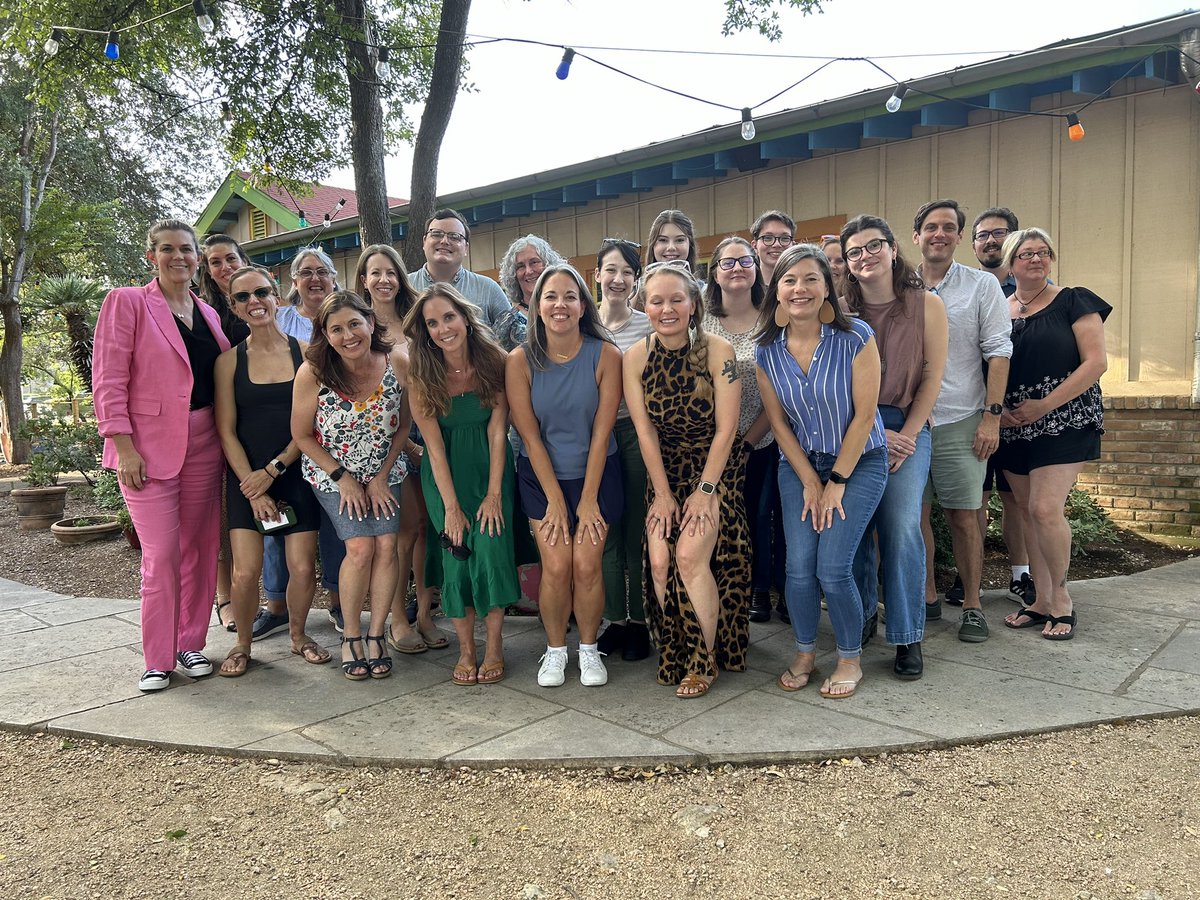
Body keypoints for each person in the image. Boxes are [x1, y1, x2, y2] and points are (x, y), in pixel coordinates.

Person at [93, 219, 232, 691]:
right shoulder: (127, 302)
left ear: (198, 257)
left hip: (204, 442)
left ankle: (190, 642)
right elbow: (108, 380)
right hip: (146, 450)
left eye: (187, 249)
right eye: (168, 249)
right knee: (162, 553)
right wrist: (122, 445)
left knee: (200, 549)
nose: (179, 257)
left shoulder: (209, 314)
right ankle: (157, 657)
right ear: (151, 256)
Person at [755, 244, 888, 698]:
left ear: (827, 287)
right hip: (799, 465)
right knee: (797, 568)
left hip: (859, 463)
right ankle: (806, 651)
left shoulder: (857, 337)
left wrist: (836, 482)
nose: (800, 289)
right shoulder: (767, 351)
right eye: (789, 281)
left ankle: (850, 658)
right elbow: (777, 423)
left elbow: (865, 416)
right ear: (776, 292)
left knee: (833, 569)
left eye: (811, 279)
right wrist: (811, 480)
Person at [623, 260, 750, 698]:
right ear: (645, 306)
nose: (667, 308)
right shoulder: (635, 357)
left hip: (717, 470)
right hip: (665, 472)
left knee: (689, 556)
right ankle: (674, 648)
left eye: (677, 299)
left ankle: (704, 658)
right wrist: (661, 494)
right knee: (660, 560)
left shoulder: (719, 352)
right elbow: (644, 431)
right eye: (657, 301)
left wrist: (706, 492)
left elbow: (727, 429)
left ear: (693, 304)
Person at [506, 264, 623, 688]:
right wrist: (555, 499)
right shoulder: (520, 360)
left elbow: (601, 432)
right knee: (555, 567)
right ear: (537, 306)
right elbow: (530, 437)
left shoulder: (606, 354)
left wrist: (588, 498)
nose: (561, 304)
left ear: (582, 305)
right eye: (551, 296)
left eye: (570, 296)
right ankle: (556, 650)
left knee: (587, 565)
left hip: (597, 472)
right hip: (541, 477)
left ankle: (589, 650)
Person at [842, 215, 947, 680]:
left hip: (908, 425)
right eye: (854, 251)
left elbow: (932, 376)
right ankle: (863, 616)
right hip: (851, 428)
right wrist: (873, 432)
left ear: (892, 248)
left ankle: (907, 635)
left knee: (902, 526)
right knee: (858, 528)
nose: (865, 256)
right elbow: (835, 383)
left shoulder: (927, 306)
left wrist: (907, 433)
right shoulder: (839, 311)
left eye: (873, 246)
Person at [291, 291, 411, 681]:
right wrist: (344, 479)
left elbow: (404, 426)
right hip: (333, 473)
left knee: (388, 545)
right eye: (336, 329)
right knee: (360, 548)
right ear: (325, 334)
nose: (348, 335)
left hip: (384, 472)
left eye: (354, 324)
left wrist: (379, 477)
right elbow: (302, 434)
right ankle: (352, 636)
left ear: (371, 323)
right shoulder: (314, 371)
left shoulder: (397, 362)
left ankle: (378, 634)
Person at [404, 284, 520, 684]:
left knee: (489, 552)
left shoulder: (495, 362)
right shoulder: (422, 377)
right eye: (432, 323)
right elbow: (434, 451)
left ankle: (494, 647)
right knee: (458, 556)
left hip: (491, 473)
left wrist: (492, 494)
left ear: (466, 319)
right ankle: (466, 650)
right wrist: (451, 508)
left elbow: (497, 433)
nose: (442, 328)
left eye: (448, 317)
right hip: (444, 481)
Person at [213, 265, 326, 676]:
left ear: (277, 295)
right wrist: (254, 487)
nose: (253, 302)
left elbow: (313, 424)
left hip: (295, 473)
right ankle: (242, 645)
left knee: (300, 567)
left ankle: (298, 637)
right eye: (242, 297)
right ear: (234, 306)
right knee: (245, 572)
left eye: (260, 292)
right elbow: (225, 431)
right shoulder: (228, 362)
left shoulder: (306, 353)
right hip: (247, 481)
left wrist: (274, 470)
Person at [999, 229, 1110, 641]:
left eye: (1043, 253)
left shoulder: (1073, 300)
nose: (1036, 260)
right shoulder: (1000, 308)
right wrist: (998, 412)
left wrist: (1043, 405)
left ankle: (1061, 599)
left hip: (1064, 418)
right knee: (1026, 510)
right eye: (1026, 254)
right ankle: (1040, 599)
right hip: (1013, 425)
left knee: (1046, 509)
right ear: (1011, 264)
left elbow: (1095, 363)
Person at [912, 200, 1011, 644]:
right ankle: (928, 594)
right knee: (914, 516)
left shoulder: (981, 285)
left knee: (965, 517)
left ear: (958, 237)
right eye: (930, 227)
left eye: (948, 228)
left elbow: (999, 350)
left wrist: (991, 418)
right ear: (916, 236)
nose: (939, 234)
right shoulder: (900, 286)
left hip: (960, 418)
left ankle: (972, 604)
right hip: (909, 422)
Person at [354, 244, 444, 655]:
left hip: (433, 435)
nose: (384, 280)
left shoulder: (418, 320)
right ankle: (397, 618)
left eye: (391, 272)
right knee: (401, 533)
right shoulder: (362, 329)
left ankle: (425, 612)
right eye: (375, 273)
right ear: (363, 280)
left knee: (428, 528)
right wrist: (406, 445)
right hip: (392, 444)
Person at [259, 246, 348, 639]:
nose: (315, 279)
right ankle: (276, 603)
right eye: (305, 272)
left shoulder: (346, 318)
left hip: (335, 444)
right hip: (285, 442)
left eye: (322, 271)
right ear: (293, 282)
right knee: (279, 521)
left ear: (333, 278)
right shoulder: (279, 322)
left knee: (334, 522)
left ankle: (338, 600)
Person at [701, 236, 780, 625]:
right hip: (709, 443)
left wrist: (747, 442)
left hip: (760, 439)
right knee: (717, 517)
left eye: (745, 261)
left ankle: (758, 591)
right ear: (714, 272)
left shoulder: (773, 318)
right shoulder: (702, 319)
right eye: (727, 263)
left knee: (755, 516)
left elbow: (777, 392)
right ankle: (715, 589)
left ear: (755, 268)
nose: (737, 268)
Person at [970, 206, 1035, 605]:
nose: (991, 240)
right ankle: (969, 576)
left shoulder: (1030, 291)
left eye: (1000, 233)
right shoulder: (968, 288)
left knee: (1016, 499)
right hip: (970, 414)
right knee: (972, 499)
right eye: (983, 235)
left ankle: (1021, 575)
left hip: (1018, 416)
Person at [594, 238, 654, 662]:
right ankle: (614, 620)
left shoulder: (648, 324)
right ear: (596, 274)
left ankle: (640, 623)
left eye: (627, 273)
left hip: (635, 433)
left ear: (636, 280)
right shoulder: (582, 322)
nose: (618, 279)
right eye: (610, 270)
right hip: (592, 437)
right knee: (607, 534)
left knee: (635, 531)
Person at [198, 234, 251, 633]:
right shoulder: (202, 312)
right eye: (215, 262)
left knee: (252, 513)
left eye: (230, 258)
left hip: (258, 419)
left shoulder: (257, 297)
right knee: (220, 513)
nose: (224, 267)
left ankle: (262, 593)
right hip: (216, 419)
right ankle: (226, 597)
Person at [407, 208, 510, 328]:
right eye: (436, 234)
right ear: (424, 241)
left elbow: (514, 340)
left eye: (455, 236)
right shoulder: (404, 287)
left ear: (466, 248)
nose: (444, 241)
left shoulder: (488, 289)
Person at [495, 235, 567, 352]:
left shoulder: (566, 310)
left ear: (549, 265)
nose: (528, 271)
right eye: (521, 266)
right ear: (513, 274)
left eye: (534, 262)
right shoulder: (507, 323)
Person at [641, 210, 699, 306]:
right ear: (652, 245)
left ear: (690, 245)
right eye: (663, 240)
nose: (671, 247)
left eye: (679, 240)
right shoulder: (635, 295)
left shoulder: (705, 294)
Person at [750, 210, 795, 284]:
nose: (777, 244)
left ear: (793, 245)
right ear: (755, 246)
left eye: (784, 238)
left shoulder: (801, 287)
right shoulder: (745, 288)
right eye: (768, 238)